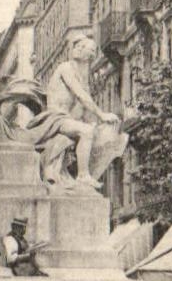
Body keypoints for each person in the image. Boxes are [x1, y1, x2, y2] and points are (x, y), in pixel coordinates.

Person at [23, 37, 121, 188]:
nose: (92, 53)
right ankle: (83, 175)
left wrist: (96, 121)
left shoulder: (82, 75)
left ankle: (80, 174)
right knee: (87, 132)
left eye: (90, 49)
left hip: (65, 119)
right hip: (54, 119)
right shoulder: (66, 68)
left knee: (93, 131)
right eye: (86, 48)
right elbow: (81, 95)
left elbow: (83, 106)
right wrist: (102, 115)